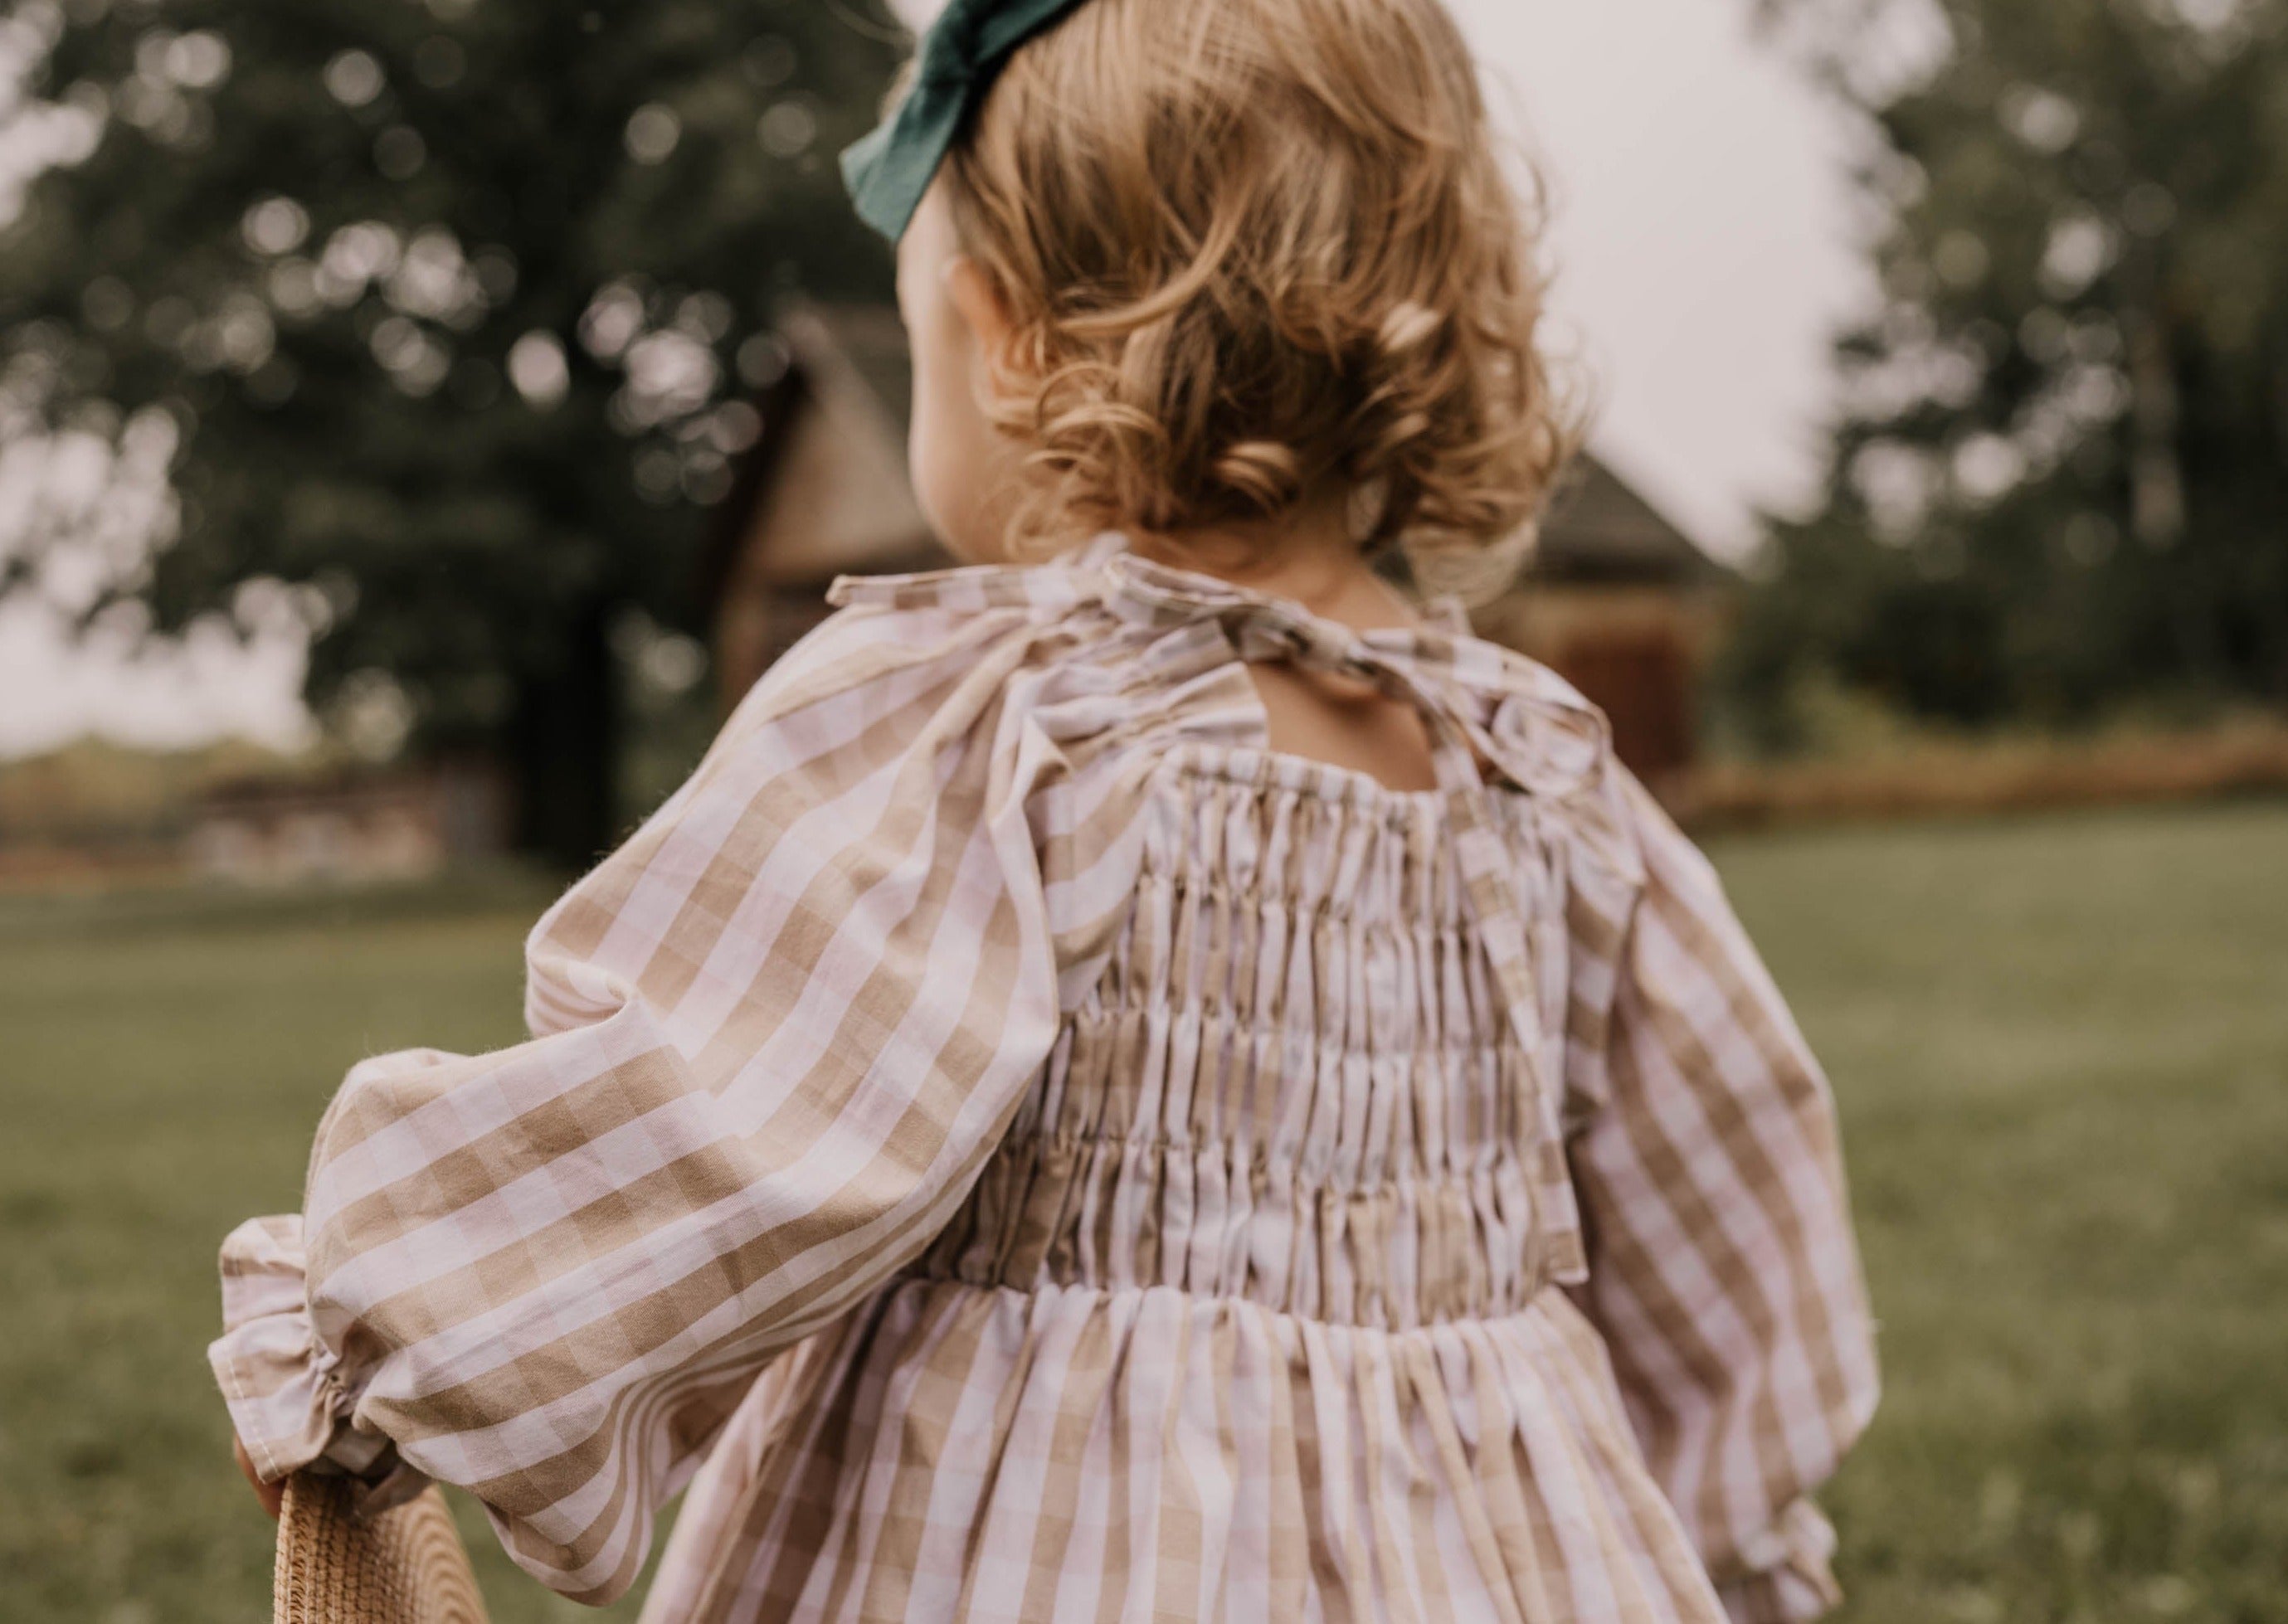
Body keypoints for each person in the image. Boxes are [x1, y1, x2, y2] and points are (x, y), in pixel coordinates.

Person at [215, 0, 1879, 1618]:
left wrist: (375, 1337)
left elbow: (734, 1114)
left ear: (1002, 334)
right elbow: (1723, 1220)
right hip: (1491, 1548)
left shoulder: (998, 728)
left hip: (1021, 1536)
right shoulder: (1544, 781)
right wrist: (1719, 1555)